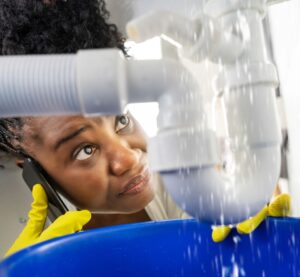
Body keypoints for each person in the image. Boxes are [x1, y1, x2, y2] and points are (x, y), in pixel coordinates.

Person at [0, 0, 190, 256]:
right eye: (85, 150)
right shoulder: (23, 244)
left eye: (121, 120)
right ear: (29, 163)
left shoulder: (181, 182)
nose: (129, 158)